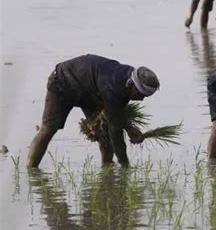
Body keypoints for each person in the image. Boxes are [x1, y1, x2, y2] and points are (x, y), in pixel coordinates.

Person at [27, 54, 160, 168]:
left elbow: (117, 114)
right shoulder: (113, 87)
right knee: (48, 129)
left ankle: (107, 169)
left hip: (89, 91)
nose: (141, 99)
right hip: (63, 82)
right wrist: (125, 165)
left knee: (104, 134)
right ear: (132, 85)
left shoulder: (127, 82)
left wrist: (130, 129)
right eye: (141, 94)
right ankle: (30, 170)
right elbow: (116, 132)